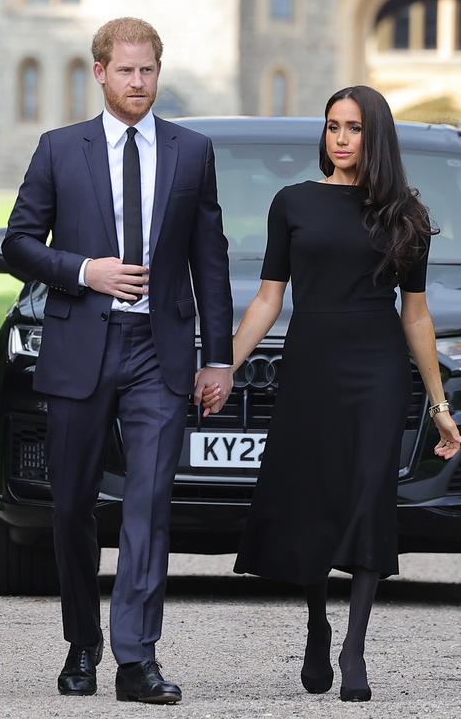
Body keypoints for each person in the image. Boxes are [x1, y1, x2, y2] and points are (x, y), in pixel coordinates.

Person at [2, 17, 233, 704]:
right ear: (99, 72)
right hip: (80, 348)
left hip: (157, 355)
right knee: (71, 505)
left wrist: (216, 359)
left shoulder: (192, 152)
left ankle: (137, 658)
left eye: (148, 71)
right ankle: (83, 641)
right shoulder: (58, 150)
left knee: (150, 503)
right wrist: (84, 271)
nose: (138, 83)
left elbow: (210, 263)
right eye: (126, 70)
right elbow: (19, 243)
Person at [213, 85, 461, 702]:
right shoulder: (292, 203)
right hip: (311, 367)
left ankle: (354, 646)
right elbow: (268, 299)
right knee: (315, 498)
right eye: (332, 127)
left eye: (352, 128)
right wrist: (222, 366)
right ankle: (318, 624)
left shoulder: (406, 213)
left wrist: (439, 405)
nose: (341, 139)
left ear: (374, 135)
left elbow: (417, 315)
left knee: (369, 494)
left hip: (377, 370)